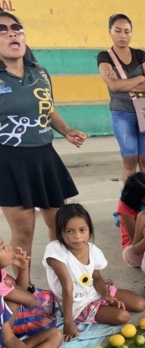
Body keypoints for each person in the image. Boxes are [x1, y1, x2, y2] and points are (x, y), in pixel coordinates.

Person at [0, 11, 86, 292]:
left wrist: (66, 130)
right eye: (3, 30)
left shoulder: (40, 73)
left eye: (17, 28)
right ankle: (23, 289)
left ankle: (62, 280)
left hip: (44, 156)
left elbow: (48, 108)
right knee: (23, 231)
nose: (13, 33)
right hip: (9, 160)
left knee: (60, 223)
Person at [43, 204, 145, 342]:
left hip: (93, 292)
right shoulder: (55, 250)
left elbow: (97, 278)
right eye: (69, 231)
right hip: (77, 304)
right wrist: (68, 323)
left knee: (140, 304)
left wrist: (106, 295)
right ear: (60, 232)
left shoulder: (93, 250)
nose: (77, 236)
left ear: (89, 229)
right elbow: (67, 286)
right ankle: (88, 312)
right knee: (123, 316)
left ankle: (103, 304)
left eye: (82, 230)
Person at [97, 14, 145, 183]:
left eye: (127, 31)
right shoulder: (104, 57)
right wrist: (140, 78)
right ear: (110, 31)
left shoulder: (140, 55)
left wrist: (124, 83)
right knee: (130, 162)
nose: (123, 35)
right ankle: (129, 205)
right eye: (118, 31)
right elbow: (114, 86)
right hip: (122, 113)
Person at [116, 172, 145, 267]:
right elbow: (135, 242)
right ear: (135, 198)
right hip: (138, 242)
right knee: (130, 254)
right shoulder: (125, 206)